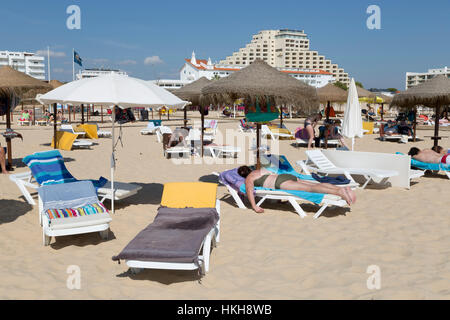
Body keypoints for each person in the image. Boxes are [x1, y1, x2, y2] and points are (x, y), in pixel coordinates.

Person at [237, 165, 356, 213]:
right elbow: (272, 171)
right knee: (313, 184)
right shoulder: (258, 170)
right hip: (284, 176)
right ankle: (340, 189)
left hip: (280, 182)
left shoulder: (249, 178)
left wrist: (254, 206)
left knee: (310, 188)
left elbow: (249, 190)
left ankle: (339, 192)